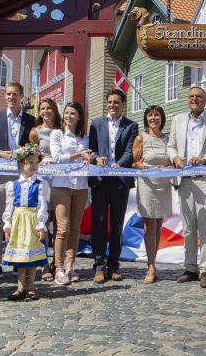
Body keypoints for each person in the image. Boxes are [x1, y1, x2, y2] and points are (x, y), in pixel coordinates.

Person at [166, 86, 206, 288]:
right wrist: (175, 157)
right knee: (189, 228)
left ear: (205, 100)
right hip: (184, 180)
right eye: (191, 96)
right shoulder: (178, 120)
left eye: (198, 97)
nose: (194, 99)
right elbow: (170, 145)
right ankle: (190, 268)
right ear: (187, 100)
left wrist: (204, 159)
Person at [0, 82, 35, 279]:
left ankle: (20, 262)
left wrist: (25, 153)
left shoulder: (31, 120)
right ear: (5, 96)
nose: (11, 97)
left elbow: (35, 147)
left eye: (15, 94)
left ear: (22, 96)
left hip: (23, 177)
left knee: (21, 221)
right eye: (8, 94)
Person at [88, 89, 138, 283]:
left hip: (120, 181)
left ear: (123, 104)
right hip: (100, 181)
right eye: (109, 102)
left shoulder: (131, 126)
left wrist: (120, 164)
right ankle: (99, 266)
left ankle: (114, 266)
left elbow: (130, 150)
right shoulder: (96, 124)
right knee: (99, 224)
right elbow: (91, 149)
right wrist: (95, 158)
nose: (112, 105)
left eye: (116, 102)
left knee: (117, 225)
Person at [49, 102, 91, 285]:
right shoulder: (57, 134)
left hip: (80, 186)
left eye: (73, 113)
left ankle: (70, 266)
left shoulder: (85, 137)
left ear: (79, 116)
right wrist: (79, 155)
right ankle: (58, 268)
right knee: (62, 228)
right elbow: (57, 158)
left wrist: (90, 157)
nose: (68, 116)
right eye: (66, 113)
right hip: (61, 185)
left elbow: (90, 157)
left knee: (75, 229)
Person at [2, 144, 49, 301]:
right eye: (30, 162)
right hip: (18, 222)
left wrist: (41, 225)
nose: (34, 166)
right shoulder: (12, 185)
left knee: (32, 255)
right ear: (21, 164)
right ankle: (20, 287)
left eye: (36, 163)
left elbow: (42, 206)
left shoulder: (40, 184)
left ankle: (31, 287)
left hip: (32, 221)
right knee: (21, 255)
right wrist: (7, 224)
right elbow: (9, 206)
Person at [132, 105, 172, 283]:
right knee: (149, 225)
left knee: (158, 225)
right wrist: (138, 165)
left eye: (157, 115)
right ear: (146, 119)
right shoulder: (141, 138)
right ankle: (150, 266)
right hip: (147, 184)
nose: (153, 118)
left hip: (164, 185)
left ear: (162, 118)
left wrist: (170, 166)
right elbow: (133, 162)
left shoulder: (168, 139)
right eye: (150, 115)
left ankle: (153, 261)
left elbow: (172, 160)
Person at [29, 97, 62, 282]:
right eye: (42, 108)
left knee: (59, 223)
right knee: (43, 221)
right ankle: (44, 263)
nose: (46, 111)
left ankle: (58, 262)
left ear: (54, 110)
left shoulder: (62, 130)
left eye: (49, 108)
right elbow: (31, 156)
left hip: (60, 178)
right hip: (43, 180)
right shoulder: (36, 132)